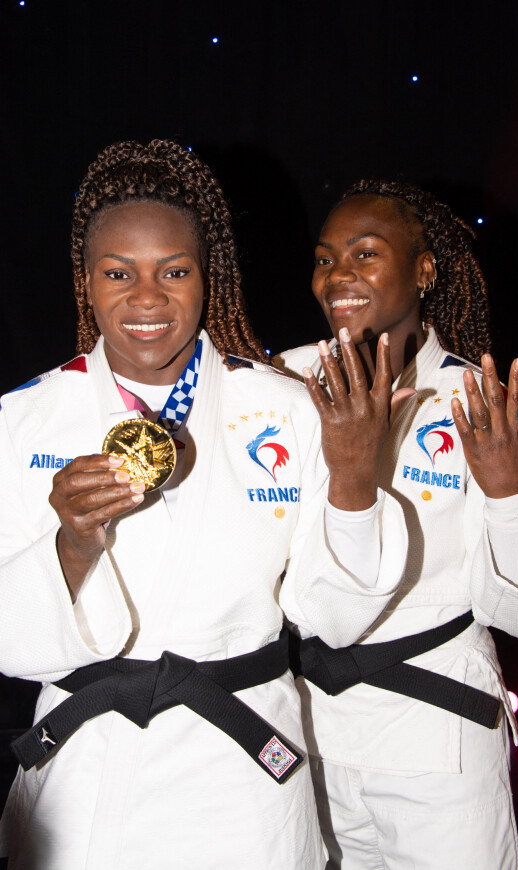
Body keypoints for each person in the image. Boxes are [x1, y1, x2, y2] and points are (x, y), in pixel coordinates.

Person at [0, 145, 410, 870]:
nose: (148, 298)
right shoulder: (22, 420)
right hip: (91, 780)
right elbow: (9, 646)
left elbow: (338, 619)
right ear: (86, 282)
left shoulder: (286, 409)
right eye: (118, 273)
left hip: (241, 781)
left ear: (207, 275)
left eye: (175, 271)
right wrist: (72, 547)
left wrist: (352, 477)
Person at [275, 179, 518, 870]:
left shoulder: (482, 402)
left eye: (365, 253)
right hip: (306, 735)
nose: (338, 276)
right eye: (326, 259)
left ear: (424, 269)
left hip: (436, 742)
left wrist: (511, 496)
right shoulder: (282, 385)